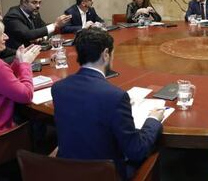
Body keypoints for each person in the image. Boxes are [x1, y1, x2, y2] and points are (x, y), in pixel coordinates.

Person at [52, 28, 163, 180]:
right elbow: (136, 150)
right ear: (105, 54)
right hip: (105, 175)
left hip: (66, 171)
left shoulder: (58, 88)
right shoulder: (115, 96)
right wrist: (153, 120)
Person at [0, 17, 40, 139]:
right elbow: (26, 96)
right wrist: (25, 65)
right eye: (2, 34)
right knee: (40, 122)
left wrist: (17, 62)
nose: (6, 37)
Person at [3, 0, 72, 49]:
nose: (38, 6)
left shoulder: (34, 13)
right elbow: (28, 35)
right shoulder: (13, 15)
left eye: (39, 3)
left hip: (33, 50)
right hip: (16, 55)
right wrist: (55, 25)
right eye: (34, 2)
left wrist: (42, 38)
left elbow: (43, 28)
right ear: (24, 2)